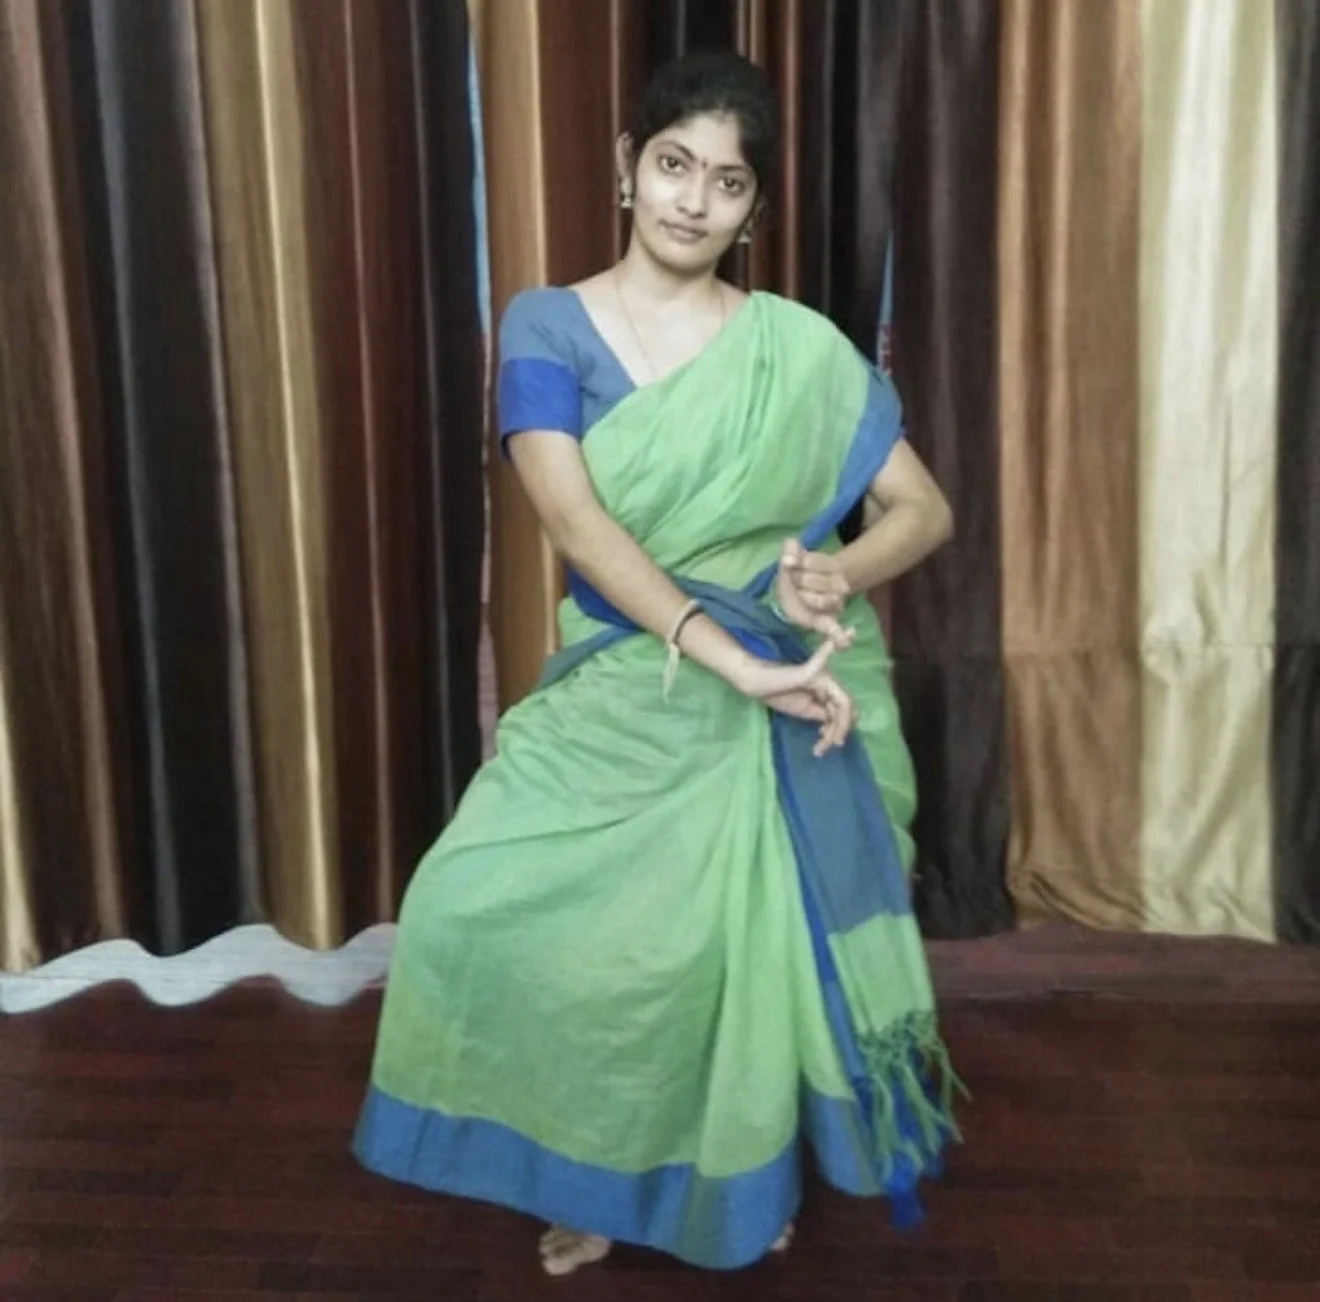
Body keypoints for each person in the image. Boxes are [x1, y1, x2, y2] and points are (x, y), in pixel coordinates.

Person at [353, 49, 961, 1277]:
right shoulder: (547, 322)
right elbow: (576, 524)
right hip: (624, 672)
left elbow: (922, 510)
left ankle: (730, 1177)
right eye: (674, 164)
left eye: (727, 182)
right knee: (483, 912)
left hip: (789, 682)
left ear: (754, 209)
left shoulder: (794, 346)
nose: (693, 199)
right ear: (626, 168)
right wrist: (721, 657)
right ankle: (605, 1160)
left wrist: (834, 574)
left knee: (723, 951)